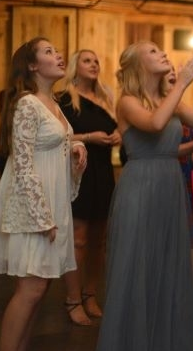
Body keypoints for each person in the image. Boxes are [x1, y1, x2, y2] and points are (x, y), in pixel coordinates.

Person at [95, 42, 193, 351]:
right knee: (138, 266)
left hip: (170, 186)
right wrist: (182, 84)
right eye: (153, 51)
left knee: (167, 264)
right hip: (140, 187)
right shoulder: (128, 102)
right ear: (136, 64)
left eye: (161, 50)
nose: (163, 53)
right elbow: (154, 125)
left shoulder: (172, 101)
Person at [0, 37, 87, 351]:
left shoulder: (54, 105)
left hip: (51, 205)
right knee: (30, 290)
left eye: (57, 50)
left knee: (39, 290)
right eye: (49, 52)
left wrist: (76, 148)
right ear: (33, 65)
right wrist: (41, 217)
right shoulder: (27, 104)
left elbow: (52, 146)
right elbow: (23, 164)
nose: (59, 55)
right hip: (32, 208)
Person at [57, 49, 120, 326]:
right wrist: (89, 137)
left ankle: (90, 294)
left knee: (99, 240)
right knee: (79, 239)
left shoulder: (106, 98)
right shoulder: (64, 99)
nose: (94, 64)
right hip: (79, 171)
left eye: (96, 61)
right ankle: (72, 299)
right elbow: (59, 138)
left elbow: (119, 127)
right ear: (76, 66)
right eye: (87, 60)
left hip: (104, 171)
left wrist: (119, 134)